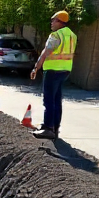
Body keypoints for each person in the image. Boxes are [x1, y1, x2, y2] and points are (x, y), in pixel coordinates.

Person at [30, 10, 77, 140]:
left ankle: (48, 128)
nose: (51, 23)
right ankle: (55, 128)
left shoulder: (56, 35)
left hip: (52, 70)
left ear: (60, 22)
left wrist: (36, 67)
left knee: (49, 100)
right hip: (65, 70)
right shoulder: (72, 35)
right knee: (56, 100)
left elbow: (46, 52)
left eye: (53, 20)